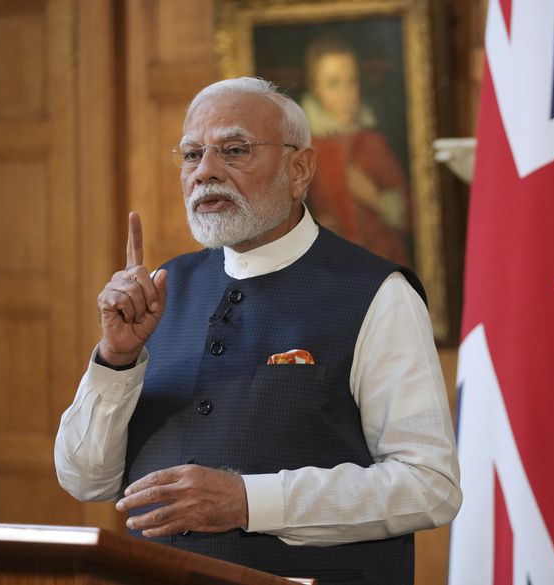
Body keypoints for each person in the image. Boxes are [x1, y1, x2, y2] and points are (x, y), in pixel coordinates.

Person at [54, 77, 461, 585]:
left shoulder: (377, 293)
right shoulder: (160, 290)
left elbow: (429, 486)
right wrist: (115, 360)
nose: (205, 172)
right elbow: (85, 480)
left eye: (234, 150)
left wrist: (249, 502)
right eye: (191, 155)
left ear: (300, 169)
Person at [301, 36, 412, 265]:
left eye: (352, 81)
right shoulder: (306, 148)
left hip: (383, 259)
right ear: (315, 89)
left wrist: (377, 199)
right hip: (330, 263)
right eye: (333, 84)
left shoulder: (373, 142)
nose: (346, 93)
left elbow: (414, 213)